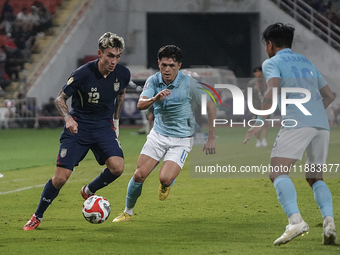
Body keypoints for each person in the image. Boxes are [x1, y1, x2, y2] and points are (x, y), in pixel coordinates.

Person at [23, 32, 130, 230]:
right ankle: (37, 215)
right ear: (99, 53)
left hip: (103, 127)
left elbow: (121, 94)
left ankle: (89, 190)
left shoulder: (123, 74)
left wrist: (115, 122)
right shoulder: (82, 74)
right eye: (109, 55)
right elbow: (60, 99)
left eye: (117, 56)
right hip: (78, 127)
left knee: (118, 168)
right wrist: (68, 118)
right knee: (61, 177)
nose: (114, 60)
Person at [244, 23, 337, 245]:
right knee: (315, 178)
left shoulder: (272, 62)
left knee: (277, 172)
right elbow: (329, 95)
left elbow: (272, 89)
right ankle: (329, 223)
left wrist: (259, 121)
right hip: (321, 125)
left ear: (270, 44)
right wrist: (313, 113)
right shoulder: (307, 61)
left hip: (297, 122)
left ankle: (295, 221)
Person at [112, 45, 216, 223]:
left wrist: (211, 137)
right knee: (138, 175)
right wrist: (155, 99)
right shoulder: (153, 81)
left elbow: (210, 105)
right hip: (158, 135)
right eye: (164, 65)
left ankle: (166, 184)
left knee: (165, 179)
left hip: (181, 139)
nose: (167, 69)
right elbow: (140, 104)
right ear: (159, 64)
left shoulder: (189, 83)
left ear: (179, 66)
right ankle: (127, 212)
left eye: (172, 66)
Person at [247, 66, 268, 147]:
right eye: (256, 72)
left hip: (265, 105)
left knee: (265, 123)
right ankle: (258, 141)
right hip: (256, 105)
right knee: (257, 123)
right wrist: (250, 106)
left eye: (259, 71)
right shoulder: (251, 83)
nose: (258, 73)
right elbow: (249, 95)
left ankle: (264, 140)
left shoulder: (265, 81)